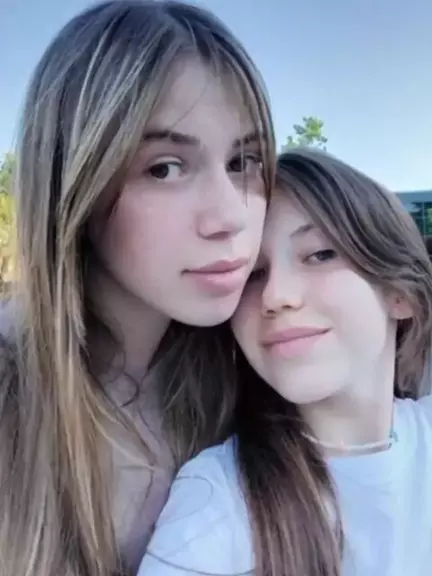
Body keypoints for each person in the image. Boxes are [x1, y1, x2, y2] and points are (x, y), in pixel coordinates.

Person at [0, 1, 275, 575]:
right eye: (165, 167)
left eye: (242, 161)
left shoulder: (248, 377)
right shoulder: (13, 396)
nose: (230, 216)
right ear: (74, 181)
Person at [137, 149, 432, 576]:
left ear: (399, 293)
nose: (276, 296)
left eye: (320, 254)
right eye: (253, 274)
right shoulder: (217, 498)